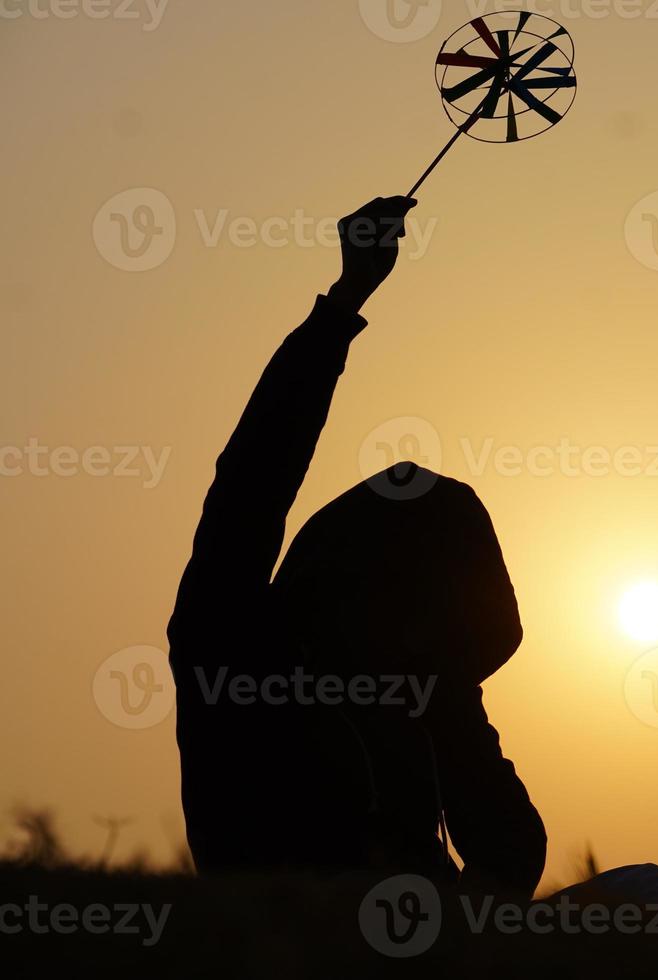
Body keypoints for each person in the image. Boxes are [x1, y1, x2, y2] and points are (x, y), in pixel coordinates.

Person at [166, 196, 546, 900]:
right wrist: (343, 304)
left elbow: (510, 857)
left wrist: (450, 708)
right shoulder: (234, 645)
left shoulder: (422, 695)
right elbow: (253, 479)